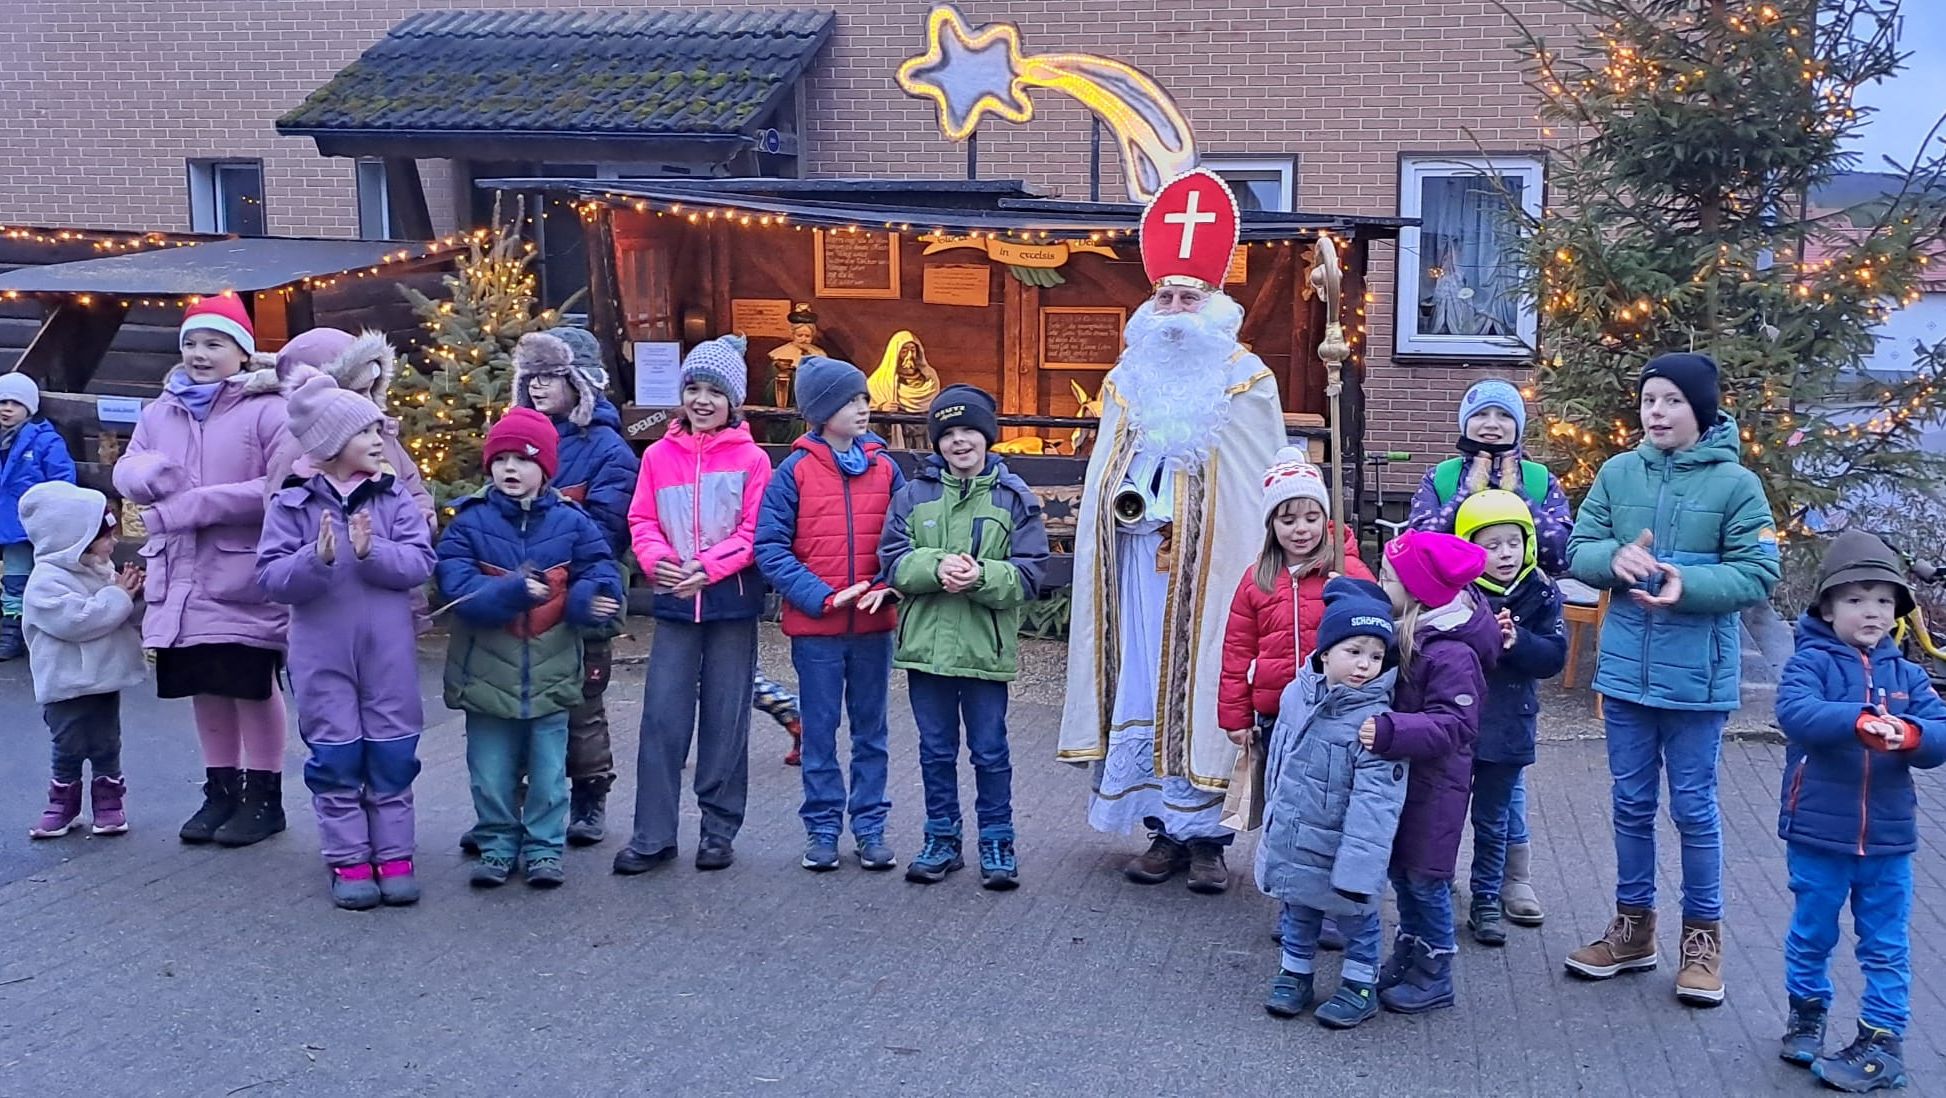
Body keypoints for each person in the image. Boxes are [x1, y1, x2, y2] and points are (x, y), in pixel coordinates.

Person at [1058, 168, 1286, 895]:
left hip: (1217, 571)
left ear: (1215, 306)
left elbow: (1255, 479)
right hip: (1138, 568)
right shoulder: (1128, 379)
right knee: (1145, 686)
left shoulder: (1248, 380)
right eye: (1165, 296)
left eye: (1190, 296)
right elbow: (1104, 471)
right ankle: (1160, 831)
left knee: (1215, 690)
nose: (1176, 308)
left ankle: (1211, 841)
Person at [1562, 352, 1780, 1008]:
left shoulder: (1736, 484)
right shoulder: (1617, 472)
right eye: (1649, 400)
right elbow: (1579, 548)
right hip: (1627, 674)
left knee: (1693, 808)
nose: (1655, 411)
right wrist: (1615, 558)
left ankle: (1701, 942)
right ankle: (1633, 930)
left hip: (1698, 680)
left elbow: (1758, 572)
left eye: (1671, 401)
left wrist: (1687, 581)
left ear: (1701, 410)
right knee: (1630, 804)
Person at [113, 296, 299, 848]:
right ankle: (220, 790)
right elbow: (129, 465)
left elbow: (279, 486)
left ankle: (264, 796)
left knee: (250, 685)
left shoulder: (271, 408)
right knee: (204, 686)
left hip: (241, 575)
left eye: (214, 344)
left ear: (242, 353)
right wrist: (147, 474)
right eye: (191, 343)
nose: (199, 353)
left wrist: (193, 505)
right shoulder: (159, 410)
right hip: (180, 578)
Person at [257, 376, 437, 910]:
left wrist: (370, 550)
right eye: (367, 430)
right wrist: (318, 559)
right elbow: (270, 578)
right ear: (333, 443)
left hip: (388, 656)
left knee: (391, 752)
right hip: (321, 655)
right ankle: (349, 859)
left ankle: (395, 857)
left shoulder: (393, 496)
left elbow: (420, 563)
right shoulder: (291, 502)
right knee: (336, 757)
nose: (381, 438)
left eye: (379, 428)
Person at [1775, 530, 1946, 1091]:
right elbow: (1798, 714)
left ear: (1898, 609)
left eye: (1882, 599)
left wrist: (1912, 734)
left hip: (1889, 842)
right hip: (1819, 834)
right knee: (1812, 930)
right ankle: (1807, 1015)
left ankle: (1882, 1041)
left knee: (1886, 942)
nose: (1870, 611)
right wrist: (1857, 720)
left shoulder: (1909, 675)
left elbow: (1939, 734)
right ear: (1827, 608)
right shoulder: (1810, 664)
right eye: (1854, 599)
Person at [433, 408, 623, 890]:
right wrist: (513, 593)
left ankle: (543, 847)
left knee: (548, 771)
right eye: (502, 459)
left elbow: (601, 569)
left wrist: (585, 600)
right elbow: (457, 588)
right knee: (490, 772)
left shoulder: (572, 522)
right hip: (486, 678)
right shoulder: (468, 524)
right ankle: (497, 844)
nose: (511, 469)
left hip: (553, 673)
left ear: (547, 469)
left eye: (524, 459)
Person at [1406, 377, 1572, 926]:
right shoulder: (1443, 476)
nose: (1492, 426)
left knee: (1504, 782)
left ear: (1519, 427)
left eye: (1504, 417)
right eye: (1481, 416)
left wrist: (1507, 497)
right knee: (1455, 771)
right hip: (1463, 615)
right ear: (1464, 424)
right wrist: (1467, 494)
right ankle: (1447, 877)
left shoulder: (1543, 479)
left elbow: (1553, 544)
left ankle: (1510, 880)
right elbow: (1424, 538)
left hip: (1520, 612)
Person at [612, 335, 771, 875]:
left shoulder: (752, 460)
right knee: (662, 719)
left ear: (734, 402)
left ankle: (718, 831)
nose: (702, 400)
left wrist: (710, 566)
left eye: (714, 391)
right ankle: (653, 834)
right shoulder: (657, 456)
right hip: (676, 600)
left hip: (731, 602)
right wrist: (659, 563)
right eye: (694, 389)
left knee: (726, 722)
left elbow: (755, 531)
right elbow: (642, 521)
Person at [880, 384, 1048, 889]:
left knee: (990, 749)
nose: (958, 442)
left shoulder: (1014, 499)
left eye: (968, 430)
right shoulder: (912, 496)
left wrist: (980, 577)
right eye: (948, 433)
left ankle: (997, 839)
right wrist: (936, 566)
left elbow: (1031, 573)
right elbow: (891, 562)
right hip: (925, 649)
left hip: (983, 648)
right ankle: (941, 837)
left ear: (987, 436)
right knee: (934, 749)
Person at [755, 354, 906, 873]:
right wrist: (821, 596)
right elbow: (770, 548)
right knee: (819, 732)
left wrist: (887, 587)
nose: (863, 407)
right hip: (816, 629)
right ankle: (821, 828)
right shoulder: (793, 472)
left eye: (864, 398)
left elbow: (905, 540)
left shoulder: (887, 468)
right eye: (850, 400)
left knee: (872, 732)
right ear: (821, 411)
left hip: (872, 626)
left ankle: (869, 826)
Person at [513, 328, 640, 847]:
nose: (539, 388)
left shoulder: (608, 450)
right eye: (532, 377)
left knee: (583, 701)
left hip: (584, 593)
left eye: (551, 377)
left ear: (579, 382)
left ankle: (590, 795)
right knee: (521, 699)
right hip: (522, 597)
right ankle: (523, 802)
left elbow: (607, 528)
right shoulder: (514, 441)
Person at [1256, 577, 1402, 1030]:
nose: (1365, 665)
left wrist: (1360, 865)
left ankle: (1360, 984)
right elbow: (1278, 758)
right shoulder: (1296, 695)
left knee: (1356, 914)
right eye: (1353, 651)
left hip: (1343, 841)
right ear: (1324, 653)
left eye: (1376, 656)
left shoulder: (1377, 721)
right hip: (1297, 830)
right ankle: (1294, 972)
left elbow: (1378, 800)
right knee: (1297, 906)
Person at [1369, 530, 1497, 1014]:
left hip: (1435, 788)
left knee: (1426, 878)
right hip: (1410, 784)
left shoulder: (1451, 652)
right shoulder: (1415, 631)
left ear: (1419, 590)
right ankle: (1409, 951)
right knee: (1404, 874)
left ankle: (1436, 968)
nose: (1382, 585)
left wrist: (1388, 731)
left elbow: (1456, 724)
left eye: (1388, 577)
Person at [1453, 490, 1566, 946]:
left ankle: (1485, 897)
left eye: (1512, 543)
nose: (1504, 554)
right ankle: (1437, 886)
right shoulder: (1456, 591)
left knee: (1493, 818)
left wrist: (1518, 640)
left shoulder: (1540, 591)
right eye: (1491, 544)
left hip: (1509, 726)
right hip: (1456, 724)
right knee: (1442, 812)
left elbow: (1553, 656)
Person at [1220, 447, 1372, 742]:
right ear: (1271, 526)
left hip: (1335, 708)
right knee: (1276, 787)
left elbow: (1377, 630)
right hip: (1275, 713)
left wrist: (1352, 595)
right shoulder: (1256, 580)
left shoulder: (1347, 570)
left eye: (1312, 518)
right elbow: (1237, 651)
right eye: (1288, 521)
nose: (1301, 530)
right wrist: (1235, 717)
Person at [20, 482, 144, 839]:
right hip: (65, 682)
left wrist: (133, 595)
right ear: (77, 538)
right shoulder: (45, 582)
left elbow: (115, 612)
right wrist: (119, 596)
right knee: (68, 744)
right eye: (106, 535)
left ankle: (109, 801)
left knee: (107, 741)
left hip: (103, 678)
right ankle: (63, 803)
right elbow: (79, 622)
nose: (114, 542)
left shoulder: (99, 570)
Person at [273, 328, 435, 532]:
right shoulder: (298, 452)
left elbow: (413, 487)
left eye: (371, 389)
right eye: (358, 392)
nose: (367, 400)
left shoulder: (382, 436)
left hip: (395, 553)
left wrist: (421, 519)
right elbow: (282, 522)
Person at [0, 371, 78, 661]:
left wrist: (57, 511)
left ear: (29, 408)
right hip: (7, 526)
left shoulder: (44, 441)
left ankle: (30, 634)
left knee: (34, 579)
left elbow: (62, 478)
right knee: (15, 580)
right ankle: (13, 630)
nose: (7, 408)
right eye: (2, 401)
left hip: (38, 525)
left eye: (14, 403)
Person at [866, 331, 941, 450]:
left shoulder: (930, 381)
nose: (909, 356)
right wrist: (881, 409)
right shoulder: (878, 383)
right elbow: (865, 420)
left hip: (923, 440)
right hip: (893, 444)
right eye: (904, 351)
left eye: (913, 350)